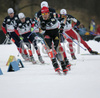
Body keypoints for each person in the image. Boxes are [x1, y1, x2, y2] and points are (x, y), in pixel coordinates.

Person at [37, 6, 70, 74]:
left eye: (46, 13)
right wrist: (42, 28)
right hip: (47, 34)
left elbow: (64, 17)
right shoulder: (40, 19)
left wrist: (62, 27)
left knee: (57, 48)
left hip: (55, 33)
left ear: (49, 13)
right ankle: (55, 64)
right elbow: (40, 31)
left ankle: (63, 65)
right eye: (43, 14)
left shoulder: (54, 15)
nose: (44, 15)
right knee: (49, 49)